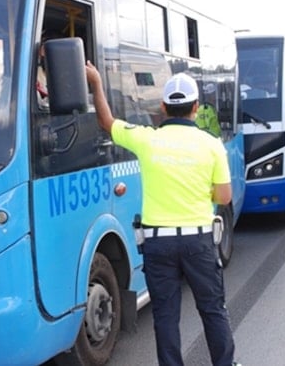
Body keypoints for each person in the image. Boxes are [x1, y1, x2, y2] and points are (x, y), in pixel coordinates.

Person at [85, 64, 238, 366]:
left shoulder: (146, 138)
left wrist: (97, 83)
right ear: (196, 107)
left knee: (166, 316)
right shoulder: (211, 145)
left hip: (158, 244)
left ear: (164, 108)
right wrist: (199, 191)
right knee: (212, 309)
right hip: (198, 242)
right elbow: (224, 196)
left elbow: (106, 122)